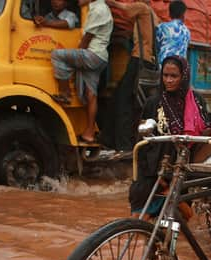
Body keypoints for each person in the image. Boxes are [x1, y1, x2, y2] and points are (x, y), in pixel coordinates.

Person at [129, 56, 211, 219]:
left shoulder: (197, 101)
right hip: (153, 171)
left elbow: (206, 133)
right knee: (139, 220)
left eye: (173, 76)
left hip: (182, 169)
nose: (168, 80)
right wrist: (155, 175)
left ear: (183, 76)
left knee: (180, 221)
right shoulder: (153, 103)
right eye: (165, 75)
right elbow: (143, 141)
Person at [50, 0, 113, 144]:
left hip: (93, 55)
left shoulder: (98, 10)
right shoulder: (98, 8)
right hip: (99, 57)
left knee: (57, 55)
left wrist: (75, 56)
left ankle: (65, 94)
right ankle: (89, 132)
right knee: (91, 94)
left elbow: (86, 39)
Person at [102, 0, 158, 151]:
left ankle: (123, 145)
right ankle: (110, 140)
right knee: (122, 100)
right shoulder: (153, 14)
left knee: (123, 102)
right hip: (146, 61)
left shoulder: (141, 7)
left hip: (137, 60)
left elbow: (123, 9)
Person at [156, 0, 190, 65]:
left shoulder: (162, 27)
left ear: (169, 14)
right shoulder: (187, 31)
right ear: (183, 14)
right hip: (180, 67)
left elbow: (156, 47)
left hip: (164, 65)